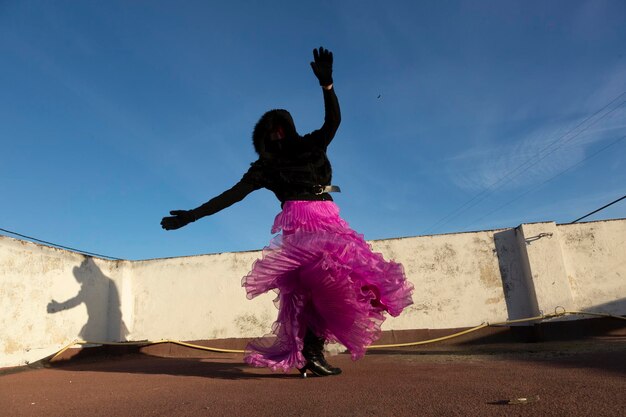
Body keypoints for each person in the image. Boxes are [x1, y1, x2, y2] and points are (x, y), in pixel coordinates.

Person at [161, 47, 414, 377]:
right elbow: (231, 196)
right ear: (265, 139)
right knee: (315, 288)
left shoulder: (311, 145)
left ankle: (312, 353)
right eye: (271, 132)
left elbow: (333, 121)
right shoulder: (266, 167)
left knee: (345, 282)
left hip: (329, 217)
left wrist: (328, 86)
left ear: (289, 128)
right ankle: (311, 354)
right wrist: (191, 216)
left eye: (281, 127)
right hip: (300, 221)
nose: (277, 134)